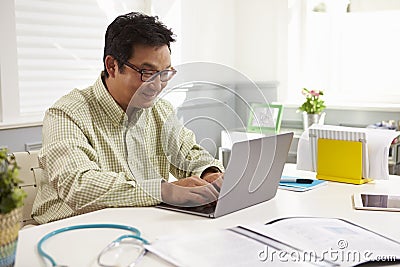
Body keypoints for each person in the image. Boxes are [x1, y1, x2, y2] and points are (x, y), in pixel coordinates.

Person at [32, 12, 224, 224]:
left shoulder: (160, 110)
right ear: (112, 65)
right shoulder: (67, 113)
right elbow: (78, 186)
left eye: (165, 73)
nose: (158, 85)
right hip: (67, 231)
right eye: (147, 73)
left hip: (137, 228)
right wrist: (162, 191)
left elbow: (189, 154)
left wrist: (209, 174)